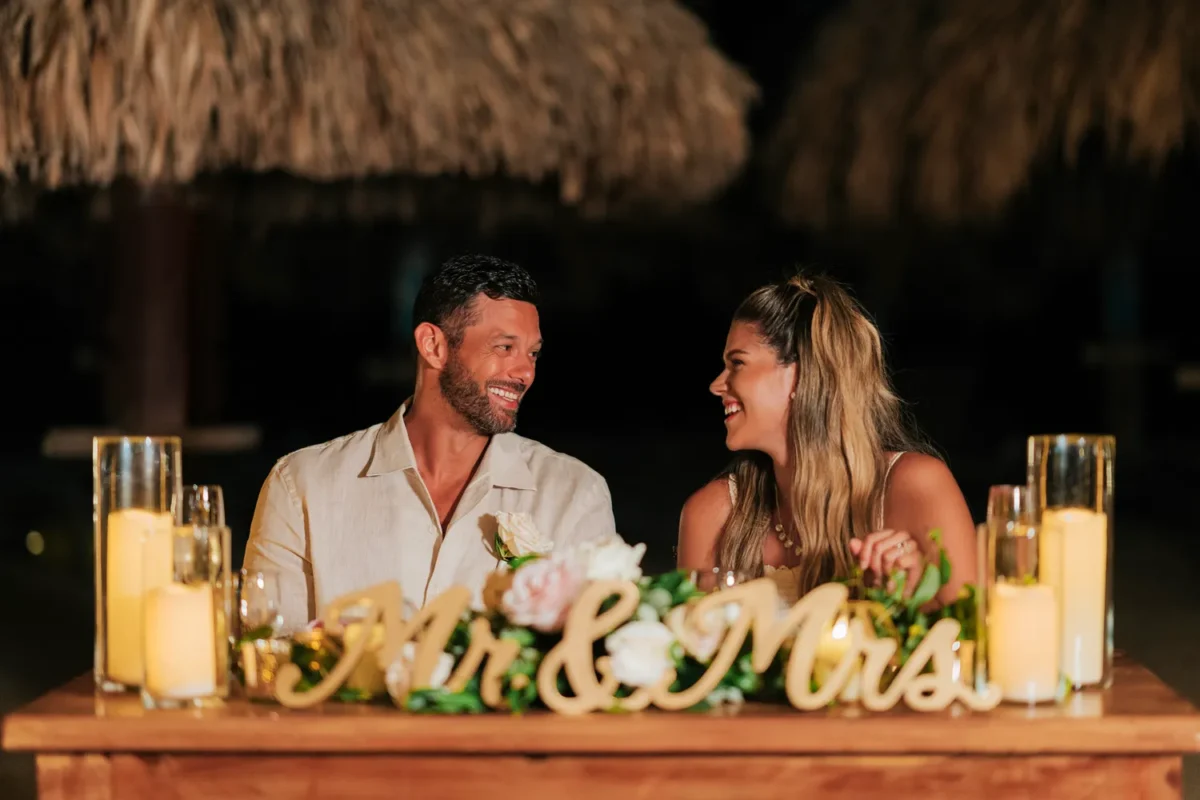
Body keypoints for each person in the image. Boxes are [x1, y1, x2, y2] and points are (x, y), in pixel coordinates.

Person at [244, 254, 618, 630]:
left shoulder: (573, 494)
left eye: (532, 353)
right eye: (505, 348)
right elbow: (271, 656)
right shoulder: (303, 486)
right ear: (433, 345)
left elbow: (591, 659)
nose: (525, 372)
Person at [676, 273, 975, 606]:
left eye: (737, 363)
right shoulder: (711, 515)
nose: (717, 385)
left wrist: (914, 599)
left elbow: (971, 633)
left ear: (801, 375)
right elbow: (690, 653)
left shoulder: (917, 487)